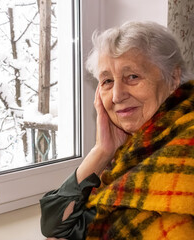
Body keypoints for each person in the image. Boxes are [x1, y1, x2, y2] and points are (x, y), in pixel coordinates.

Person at [40, 21, 194, 240]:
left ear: (173, 78)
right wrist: (101, 151)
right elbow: (54, 225)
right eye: (107, 81)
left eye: (132, 77)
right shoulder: (133, 151)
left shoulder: (184, 144)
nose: (117, 95)